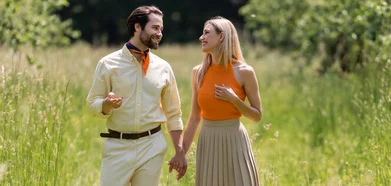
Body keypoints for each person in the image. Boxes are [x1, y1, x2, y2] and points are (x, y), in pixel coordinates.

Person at [86, 6, 187, 186]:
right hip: (117, 147)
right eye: (155, 28)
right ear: (137, 27)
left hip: (152, 147)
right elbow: (92, 104)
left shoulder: (164, 68)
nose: (159, 33)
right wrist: (106, 105)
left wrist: (180, 152)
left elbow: (173, 113)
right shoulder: (108, 64)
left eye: (161, 29)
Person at [180, 16, 262, 186]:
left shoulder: (244, 71)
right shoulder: (198, 72)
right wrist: (181, 154)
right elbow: (195, 118)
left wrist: (234, 99)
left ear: (221, 37)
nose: (201, 37)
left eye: (206, 33)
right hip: (208, 141)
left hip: (235, 141)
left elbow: (256, 116)